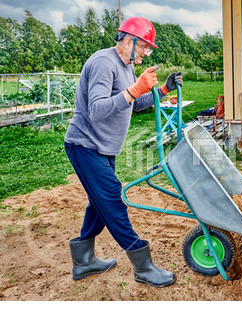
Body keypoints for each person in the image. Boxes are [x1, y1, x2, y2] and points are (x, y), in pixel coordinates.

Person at [64, 17, 182, 287]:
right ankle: (143, 267)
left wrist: (163, 89)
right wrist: (133, 89)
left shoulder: (126, 65)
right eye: (145, 47)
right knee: (113, 202)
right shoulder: (104, 63)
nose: (147, 52)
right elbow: (97, 110)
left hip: (103, 148)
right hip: (85, 145)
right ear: (130, 41)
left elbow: (134, 103)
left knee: (99, 203)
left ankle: (83, 261)